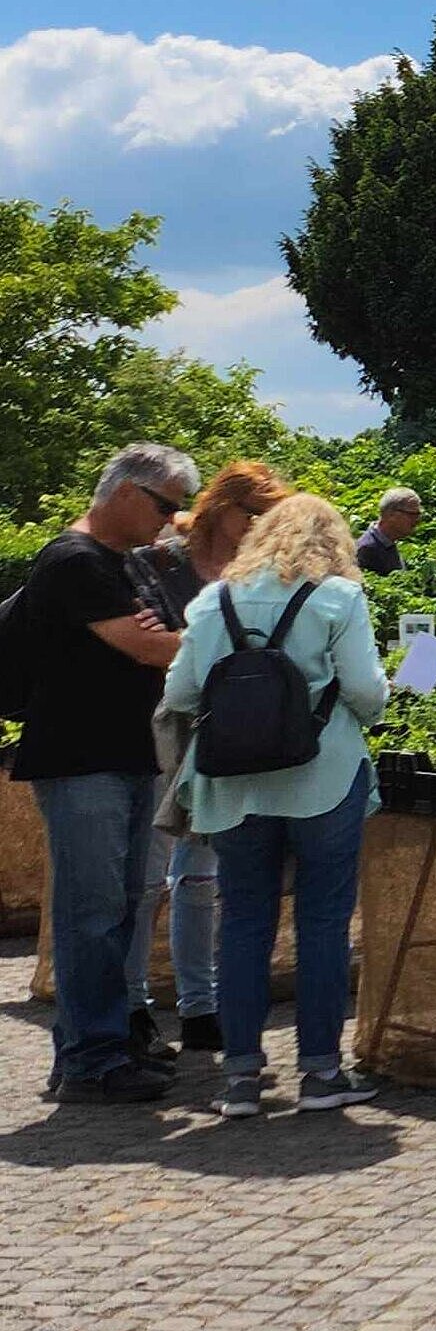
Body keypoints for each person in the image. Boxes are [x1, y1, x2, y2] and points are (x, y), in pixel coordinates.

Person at [160, 495, 389, 1116]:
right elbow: (368, 691)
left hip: (234, 785)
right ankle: (320, 1073)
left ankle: (239, 1077)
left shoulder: (213, 601)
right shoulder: (339, 598)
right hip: (323, 775)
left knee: (240, 922)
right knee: (322, 923)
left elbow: (180, 691)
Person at [12, 444, 199, 1102]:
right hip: (82, 759)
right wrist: (196, 638)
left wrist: (165, 640)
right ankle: (90, 1062)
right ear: (126, 492)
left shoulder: (124, 565)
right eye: (166, 505)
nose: (173, 520)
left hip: (123, 756)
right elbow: (152, 643)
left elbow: (161, 638)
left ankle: (104, 1049)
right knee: (92, 913)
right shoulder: (75, 561)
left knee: (119, 910)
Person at [128, 459, 289, 1054]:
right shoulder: (156, 560)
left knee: (199, 876)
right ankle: (134, 1004)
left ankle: (200, 1005)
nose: (260, 528)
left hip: (223, 734)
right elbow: (148, 642)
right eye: (254, 515)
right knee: (145, 877)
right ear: (223, 508)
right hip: (159, 729)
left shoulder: (256, 574)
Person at [353, 487, 422, 575]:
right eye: (412, 514)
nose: (417, 520)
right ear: (391, 515)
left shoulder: (388, 543)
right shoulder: (366, 550)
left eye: (418, 514)